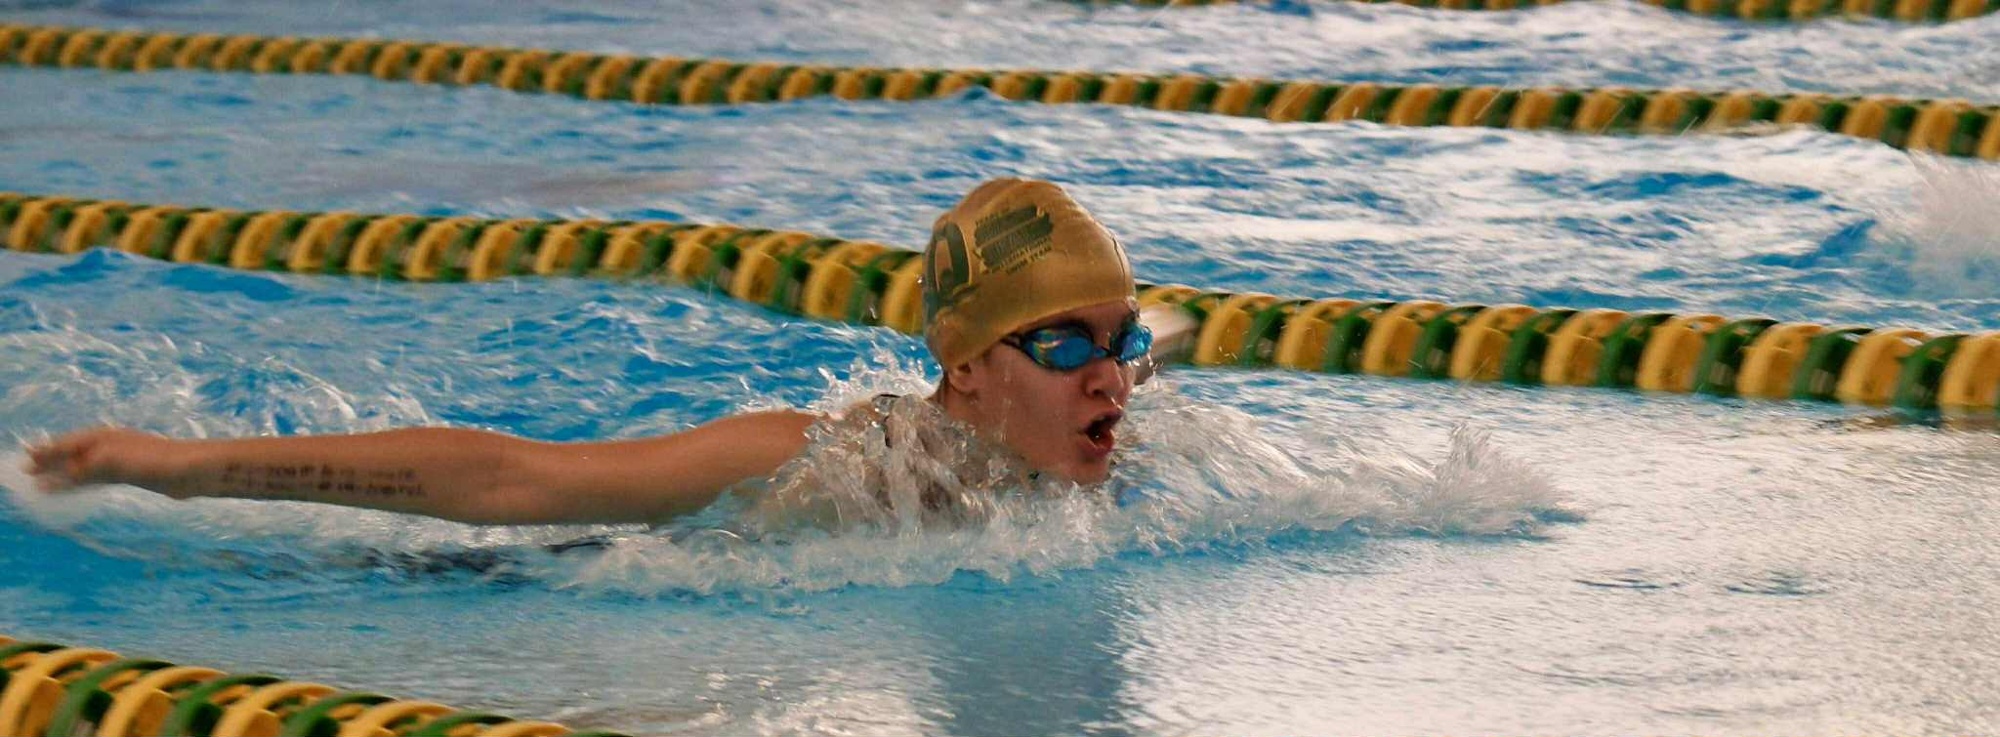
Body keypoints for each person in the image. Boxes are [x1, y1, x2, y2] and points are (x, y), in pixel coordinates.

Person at [22, 178, 1195, 528]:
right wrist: (178, 465)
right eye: (1064, 343)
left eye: (1120, 340)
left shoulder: (1068, 418)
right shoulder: (830, 465)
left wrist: (1138, 344)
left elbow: (1146, 351)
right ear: (965, 367)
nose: (1108, 374)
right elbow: (510, 478)